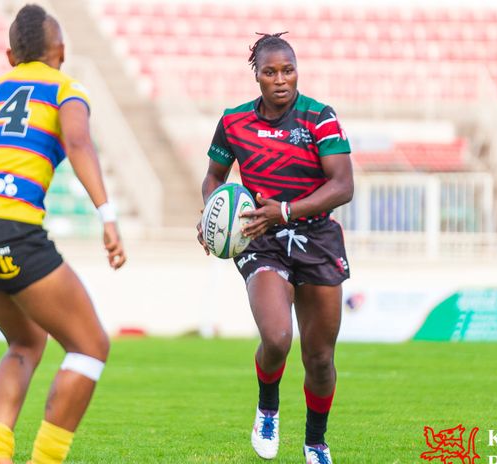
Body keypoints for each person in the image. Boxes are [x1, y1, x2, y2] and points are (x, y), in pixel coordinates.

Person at [0, 5, 126, 464]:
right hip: (5, 228)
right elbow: (78, 143)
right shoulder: (66, 89)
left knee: (27, 341)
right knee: (90, 345)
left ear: (11, 54)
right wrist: (107, 214)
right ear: (62, 52)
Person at [197, 32, 353, 464]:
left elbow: (343, 186)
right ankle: (268, 407)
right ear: (258, 76)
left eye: (288, 70)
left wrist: (284, 210)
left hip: (316, 237)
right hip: (259, 238)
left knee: (320, 358)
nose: (281, 79)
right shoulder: (234, 122)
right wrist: (212, 212)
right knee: (277, 336)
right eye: (271, 72)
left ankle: (315, 441)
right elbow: (214, 176)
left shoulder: (320, 117)